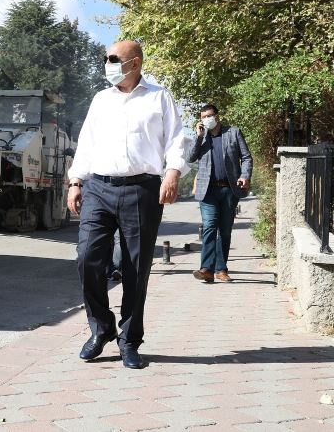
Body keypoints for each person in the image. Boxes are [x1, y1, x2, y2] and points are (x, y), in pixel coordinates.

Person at [67, 40, 188, 369]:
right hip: (99, 188)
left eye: (113, 59)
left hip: (142, 190)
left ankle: (129, 340)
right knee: (87, 259)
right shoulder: (101, 100)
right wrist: (76, 181)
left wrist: (173, 174)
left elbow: (178, 138)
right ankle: (101, 328)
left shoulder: (158, 97)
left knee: (136, 268)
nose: (106, 63)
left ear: (134, 64)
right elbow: (87, 142)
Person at [189, 104, 252, 283]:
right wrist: (198, 137)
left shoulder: (233, 132)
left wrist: (245, 175)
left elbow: (246, 157)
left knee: (224, 230)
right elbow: (190, 157)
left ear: (217, 116)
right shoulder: (202, 138)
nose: (207, 119)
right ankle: (207, 269)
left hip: (228, 189)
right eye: (203, 117)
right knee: (209, 226)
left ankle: (220, 270)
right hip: (207, 191)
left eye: (209, 116)